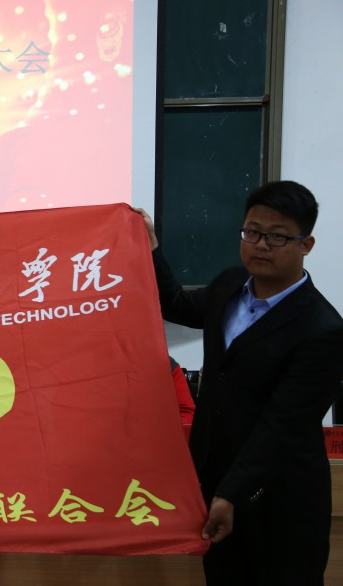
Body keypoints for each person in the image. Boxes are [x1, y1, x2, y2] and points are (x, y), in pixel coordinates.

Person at [135, 181, 343, 585]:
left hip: (280, 501)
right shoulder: (230, 286)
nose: (261, 245)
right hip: (216, 487)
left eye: (277, 236)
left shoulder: (322, 329)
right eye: (252, 232)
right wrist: (150, 246)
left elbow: (282, 427)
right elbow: (175, 302)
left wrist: (233, 492)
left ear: (306, 244)